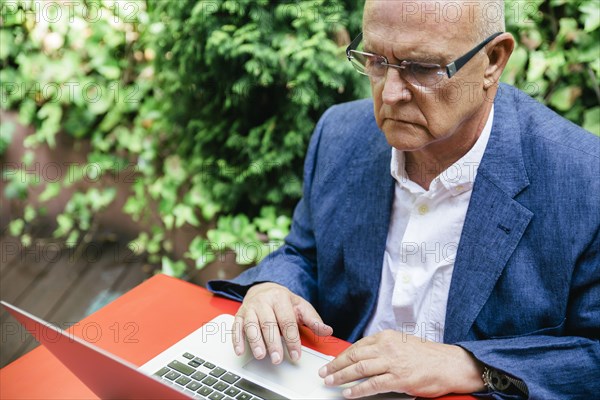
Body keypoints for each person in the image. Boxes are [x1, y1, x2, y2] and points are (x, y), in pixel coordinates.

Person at [208, 0, 600, 398]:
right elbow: (304, 254)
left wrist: (470, 365)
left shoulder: (585, 179)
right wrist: (273, 287)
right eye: (376, 61)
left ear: (493, 61)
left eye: (423, 68)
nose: (391, 93)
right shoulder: (341, 135)